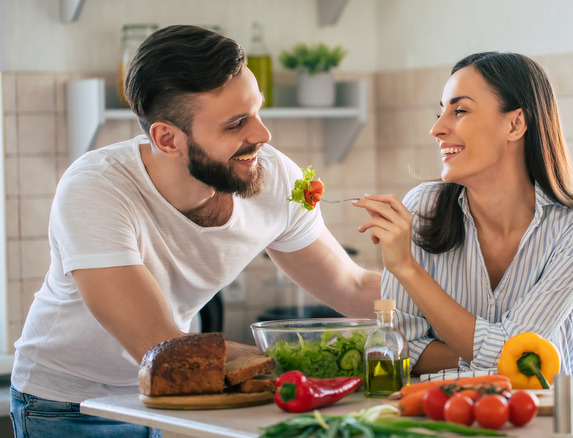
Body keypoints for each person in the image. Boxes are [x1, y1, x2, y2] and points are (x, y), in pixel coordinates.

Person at [9, 25, 380, 437]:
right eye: (236, 123)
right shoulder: (96, 188)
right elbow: (159, 345)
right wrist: (320, 359)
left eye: (257, 111)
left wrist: (456, 319)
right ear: (167, 138)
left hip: (182, 394)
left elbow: (354, 287)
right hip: (71, 405)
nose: (262, 135)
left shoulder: (271, 176)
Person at [355, 52, 573, 376]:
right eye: (440, 112)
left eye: (459, 110)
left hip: (537, 422)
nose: (436, 129)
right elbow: (401, 349)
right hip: (439, 418)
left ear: (515, 124)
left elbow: (514, 352)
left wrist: (407, 268)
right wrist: (493, 355)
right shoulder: (421, 209)